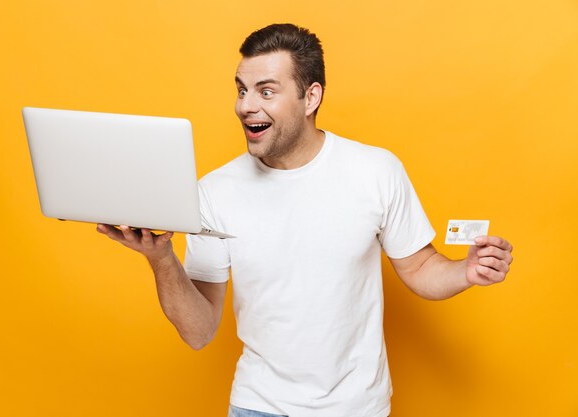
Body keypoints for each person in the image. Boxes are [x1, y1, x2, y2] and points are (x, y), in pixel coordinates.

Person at [96, 23, 513, 417]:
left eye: (266, 91)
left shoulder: (375, 170)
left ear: (310, 97)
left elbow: (420, 267)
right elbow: (199, 331)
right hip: (258, 405)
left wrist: (467, 271)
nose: (245, 106)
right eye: (242, 90)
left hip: (356, 408)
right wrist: (161, 257)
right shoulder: (213, 192)